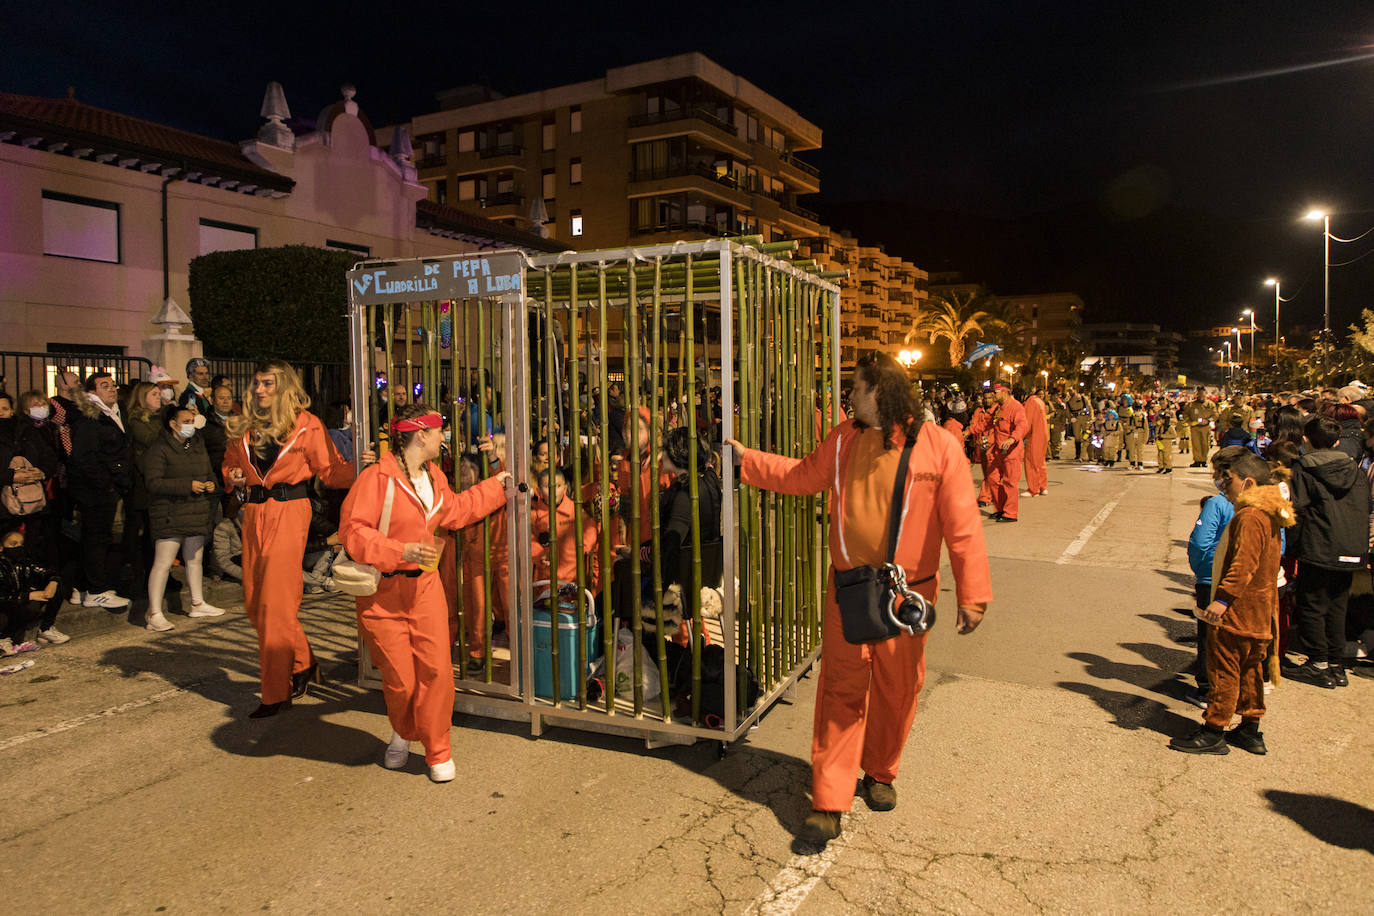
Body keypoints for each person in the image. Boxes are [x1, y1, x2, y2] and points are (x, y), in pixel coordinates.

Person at [725, 351, 992, 846]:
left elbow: (963, 525)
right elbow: (802, 476)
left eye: (855, 386)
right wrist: (748, 461)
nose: (848, 395)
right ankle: (828, 801)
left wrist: (973, 595)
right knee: (840, 691)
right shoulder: (844, 440)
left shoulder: (940, 447)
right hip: (849, 591)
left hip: (910, 596)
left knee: (898, 689)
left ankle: (881, 772)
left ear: (880, 390)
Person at [339, 406, 510, 782]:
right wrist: (401, 551)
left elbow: (456, 511)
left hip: (426, 589)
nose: (442, 438)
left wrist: (499, 484)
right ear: (420, 435)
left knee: (437, 673)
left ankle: (437, 749)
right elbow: (352, 532)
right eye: (438, 432)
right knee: (401, 679)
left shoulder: (434, 475)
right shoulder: (376, 478)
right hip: (383, 595)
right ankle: (402, 730)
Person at [223, 361, 359, 718]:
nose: (259, 389)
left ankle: (275, 692)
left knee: (276, 607)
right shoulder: (244, 426)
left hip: (290, 512)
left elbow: (330, 471)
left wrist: (364, 466)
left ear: (283, 387)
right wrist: (233, 474)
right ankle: (302, 663)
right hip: (252, 515)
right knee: (255, 605)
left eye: (267, 383)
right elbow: (229, 464)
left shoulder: (306, 424)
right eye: (256, 383)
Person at [1171, 451, 1293, 755]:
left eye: (1230, 480)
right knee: (1251, 668)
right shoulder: (1271, 509)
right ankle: (1251, 728)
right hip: (1262, 608)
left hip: (1241, 609)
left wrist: (1223, 600)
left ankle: (1214, 728)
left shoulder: (1250, 515)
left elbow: (1244, 564)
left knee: (1224, 668)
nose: (1224, 485)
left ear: (1248, 482)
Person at [1286, 415, 1370, 688]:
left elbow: (1295, 510)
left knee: (1312, 605)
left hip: (1320, 546)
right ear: (1336, 441)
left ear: (1306, 440)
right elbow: (1365, 509)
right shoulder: (1354, 469)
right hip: (1351, 548)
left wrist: (1293, 545)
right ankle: (1335, 664)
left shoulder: (1304, 468)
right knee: (1337, 605)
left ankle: (1318, 663)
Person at [142, 405, 224, 631]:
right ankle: (155, 612)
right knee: (163, 563)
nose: (191, 425)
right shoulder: (159, 449)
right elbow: (154, 482)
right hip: (169, 512)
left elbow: (209, 474)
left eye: (192, 420)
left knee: (194, 559)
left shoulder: (197, 445)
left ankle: (197, 602)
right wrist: (187, 486)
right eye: (186, 421)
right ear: (173, 424)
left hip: (196, 510)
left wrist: (209, 484)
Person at [68, 371, 133, 609]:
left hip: (107, 487)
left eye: (113, 385)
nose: (112, 389)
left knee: (97, 538)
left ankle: (83, 586)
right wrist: (107, 485)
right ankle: (96, 590)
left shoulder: (114, 412)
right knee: (97, 539)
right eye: (104, 385)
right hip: (95, 490)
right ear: (92, 393)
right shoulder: (88, 418)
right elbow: (84, 458)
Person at [0, 526, 59, 657]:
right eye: (13, 544)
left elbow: (48, 571)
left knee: (58, 588)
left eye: (21, 544)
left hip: (16, 604)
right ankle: (4, 638)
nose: (18, 547)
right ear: (1, 547)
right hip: (5, 608)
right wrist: (29, 595)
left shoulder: (25, 563)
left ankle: (46, 627)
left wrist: (53, 581)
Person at [987, 384, 1028, 521]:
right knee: (993, 479)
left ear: (1005, 392)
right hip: (998, 450)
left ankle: (1010, 513)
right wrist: (970, 431)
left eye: (996, 392)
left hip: (1012, 451)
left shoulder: (1016, 407)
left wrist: (1012, 438)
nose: (994, 395)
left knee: (1010, 482)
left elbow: (1022, 425)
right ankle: (1000, 509)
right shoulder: (998, 409)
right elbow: (988, 423)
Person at [1021, 387, 1049, 497]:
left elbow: (1027, 422)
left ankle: (1033, 489)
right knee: (1040, 462)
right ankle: (1043, 487)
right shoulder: (1040, 402)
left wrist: (1018, 435)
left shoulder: (1031, 402)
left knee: (1031, 462)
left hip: (1034, 436)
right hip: (1043, 435)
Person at [1185, 389, 1217, 467]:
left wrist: (1208, 420)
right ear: (1197, 395)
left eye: (1203, 395)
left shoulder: (1210, 404)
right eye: (1200, 395)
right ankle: (1197, 460)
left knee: (1205, 444)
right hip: (1195, 427)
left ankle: (1204, 460)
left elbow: (1215, 415)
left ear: (1206, 394)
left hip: (1206, 427)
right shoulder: (1191, 405)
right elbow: (1185, 414)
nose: (1201, 397)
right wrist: (1190, 422)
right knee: (1196, 444)